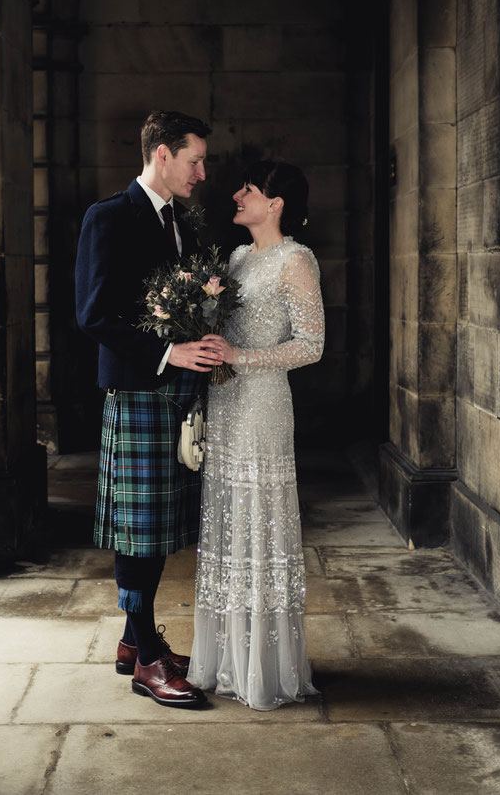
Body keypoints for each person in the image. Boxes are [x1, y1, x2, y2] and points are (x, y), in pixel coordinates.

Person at [75, 110, 222, 710]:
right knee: (138, 535)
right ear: (162, 155)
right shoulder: (107, 217)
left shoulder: (181, 223)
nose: (203, 172)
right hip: (137, 393)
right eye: (195, 160)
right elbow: (93, 315)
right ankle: (148, 661)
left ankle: (136, 643)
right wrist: (169, 351)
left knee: (156, 531)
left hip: (174, 396)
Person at [187, 160, 325, 711]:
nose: (237, 195)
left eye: (250, 189)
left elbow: (311, 344)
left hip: (263, 406)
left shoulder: (295, 261)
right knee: (226, 520)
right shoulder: (240, 258)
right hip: (226, 401)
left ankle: (264, 668)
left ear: (276, 205)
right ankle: (226, 659)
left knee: (257, 522)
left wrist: (241, 357)